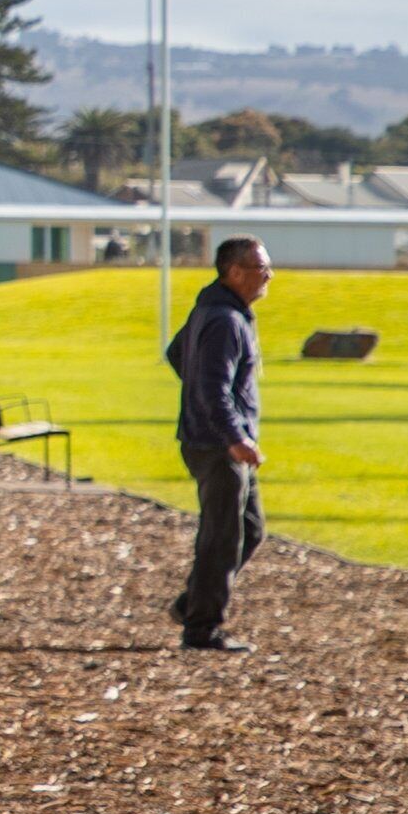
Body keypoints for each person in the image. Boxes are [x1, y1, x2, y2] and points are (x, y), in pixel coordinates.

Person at [164, 235, 270, 652]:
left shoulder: (215, 310)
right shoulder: (225, 319)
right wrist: (235, 436)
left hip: (214, 439)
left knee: (250, 528)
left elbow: (177, 354)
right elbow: (212, 387)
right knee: (221, 537)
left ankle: (193, 604)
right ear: (236, 272)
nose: (269, 276)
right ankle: (201, 629)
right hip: (217, 445)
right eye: (262, 268)